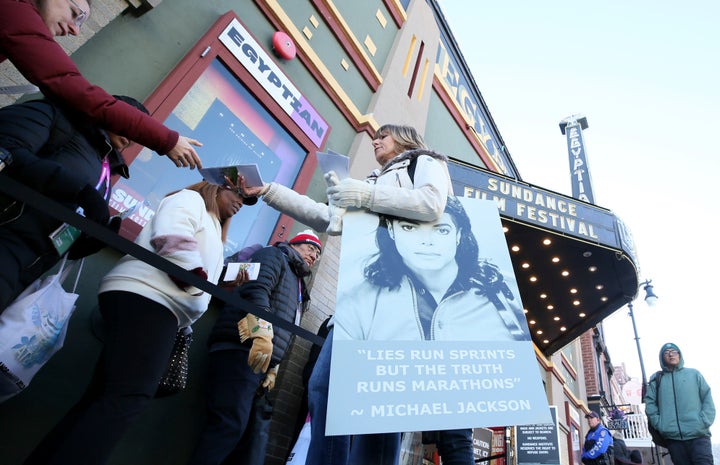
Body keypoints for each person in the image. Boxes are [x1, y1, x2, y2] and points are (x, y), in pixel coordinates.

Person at [240, 123, 452, 465]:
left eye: (384, 135)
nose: (376, 141)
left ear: (405, 139)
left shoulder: (425, 162)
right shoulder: (368, 182)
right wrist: (269, 190)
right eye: (374, 137)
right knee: (323, 389)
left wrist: (364, 195)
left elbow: (431, 204)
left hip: (402, 300)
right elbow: (329, 219)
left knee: (381, 409)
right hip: (358, 300)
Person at [22, 180, 256, 465]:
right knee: (128, 397)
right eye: (239, 193)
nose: (242, 202)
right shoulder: (189, 198)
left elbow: (200, 269)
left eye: (248, 200)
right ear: (217, 187)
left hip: (157, 304)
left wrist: (226, 279)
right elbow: (174, 233)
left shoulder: (214, 227)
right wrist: (193, 280)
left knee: (106, 397)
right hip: (151, 299)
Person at [0, 0, 202, 169]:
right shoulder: (13, 10)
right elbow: (78, 91)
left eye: (80, 23)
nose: (74, 30)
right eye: (75, 14)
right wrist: (167, 140)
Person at [0, 94, 146, 312]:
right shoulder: (60, 118)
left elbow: (66, 232)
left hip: (27, 269)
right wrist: (79, 190)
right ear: (110, 110)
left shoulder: (106, 169)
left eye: (140, 135)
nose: (132, 138)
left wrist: (91, 239)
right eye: (131, 124)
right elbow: (7, 147)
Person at [187, 230, 322, 465]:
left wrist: (273, 368)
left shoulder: (297, 282)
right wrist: (261, 335)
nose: (314, 255)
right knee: (228, 425)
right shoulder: (274, 255)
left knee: (238, 433)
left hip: (260, 359)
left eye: (318, 253)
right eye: (310, 248)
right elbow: (254, 291)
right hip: (241, 350)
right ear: (295, 244)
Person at [333, 196, 527, 342]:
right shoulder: (359, 301)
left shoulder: (500, 294)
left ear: (458, 235)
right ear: (391, 230)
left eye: (442, 230)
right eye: (409, 228)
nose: (426, 241)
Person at [644, 343, 715, 465]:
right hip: (673, 438)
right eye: (666, 353)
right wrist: (660, 424)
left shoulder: (694, 374)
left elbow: (707, 398)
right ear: (662, 358)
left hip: (698, 435)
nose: (671, 354)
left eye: (674, 351)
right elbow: (650, 403)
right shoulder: (656, 379)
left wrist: (704, 421)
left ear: (679, 355)